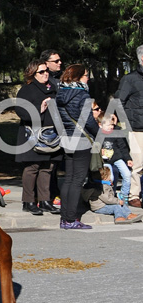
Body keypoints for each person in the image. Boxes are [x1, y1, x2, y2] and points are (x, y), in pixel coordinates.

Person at [14, 60, 62, 215]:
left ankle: (45, 200)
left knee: (48, 167)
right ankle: (28, 201)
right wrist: (39, 108)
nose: (45, 74)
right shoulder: (27, 90)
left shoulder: (53, 88)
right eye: (41, 72)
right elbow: (20, 111)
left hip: (50, 135)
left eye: (46, 71)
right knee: (32, 168)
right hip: (33, 135)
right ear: (32, 73)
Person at [55, 64, 100, 229]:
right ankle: (71, 219)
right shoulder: (83, 95)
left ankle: (65, 218)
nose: (88, 78)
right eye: (86, 75)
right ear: (79, 77)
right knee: (77, 180)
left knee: (68, 179)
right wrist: (98, 134)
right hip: (81, 140)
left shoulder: (60, 94)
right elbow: (88, 121)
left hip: (67, 138)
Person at [115, 45, 143, 208]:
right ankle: (133, 196)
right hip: (135, 128)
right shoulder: (130, 79)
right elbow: (119, 103)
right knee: (137, 164)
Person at [98, 111, 133, 201]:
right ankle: (109, 194)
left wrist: (128, 159)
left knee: (127, 174)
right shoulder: (97, 135)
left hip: (117, 158)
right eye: (108, 125)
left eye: (112, 125)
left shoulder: (116, 132)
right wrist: (99, 151)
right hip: (104, 161)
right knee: (111, 177)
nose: (111, 127)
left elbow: (123, 147)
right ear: (100, 125)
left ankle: (124, 194)